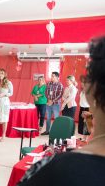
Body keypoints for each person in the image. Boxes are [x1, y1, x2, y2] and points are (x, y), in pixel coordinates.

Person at [18, 36, 105, 186]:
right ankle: (49, 131)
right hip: (56, 103)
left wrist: (58, 100)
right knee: (49, 118)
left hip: (64, 104)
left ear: (91, 90)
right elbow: (48, 93)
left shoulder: (56, 170)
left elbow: (61, 95)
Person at [78, 75, 90, 141]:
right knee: (82, 123)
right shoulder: (82, 91)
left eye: (83, 82)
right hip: (82, 107)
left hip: (87, 108)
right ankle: (84, 137)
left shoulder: (89, 91)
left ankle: (87, 138)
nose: (81, 83)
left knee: (87, 123)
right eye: (81, 82)